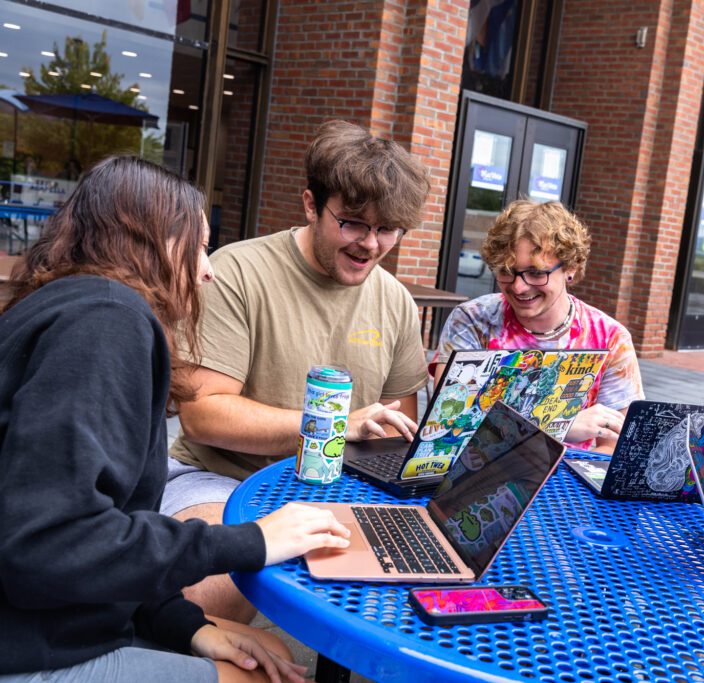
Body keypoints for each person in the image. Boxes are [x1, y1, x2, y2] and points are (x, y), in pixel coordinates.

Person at [0, 156, 351, 682]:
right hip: (29, 645)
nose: (207, 268)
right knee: (266, 676)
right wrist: (253, 540)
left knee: (255, 646)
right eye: (200, 245)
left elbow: (95, 523)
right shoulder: (105, 324)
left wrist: (183, 623)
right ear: (150, 242)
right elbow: (51, 541)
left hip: (53, 619)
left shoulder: (74, 306)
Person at [164, 120, 432, 622]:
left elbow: (397, 432)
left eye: (387, 229)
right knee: (206, 601)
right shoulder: (238, 271)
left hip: (343, 488)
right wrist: (331, 425)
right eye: (352, 222)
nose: (370, 245)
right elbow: (203, 417)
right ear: (311, 205)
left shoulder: (396, 301)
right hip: (221, 477)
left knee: (423, 599)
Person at [433, 200, 644, 452]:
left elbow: (613, 448)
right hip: (478, 473)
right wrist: (556, 424)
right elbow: (447, 427)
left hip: (571, 482)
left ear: (571, 268)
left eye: (536, 273)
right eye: (507, 271)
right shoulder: (473, 320)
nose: (519, 287)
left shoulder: (610, 338)